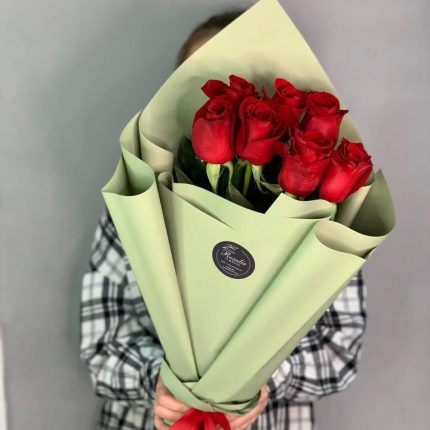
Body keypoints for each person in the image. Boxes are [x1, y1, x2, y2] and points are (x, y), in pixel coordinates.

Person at [80, 9, 367, 430]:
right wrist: (157, 381)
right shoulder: (136, 202)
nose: (230, 103)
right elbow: (100, 346)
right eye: (209, 85)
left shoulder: (326, 221)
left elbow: (340, 353)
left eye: (246, 87)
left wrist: (255, 382)